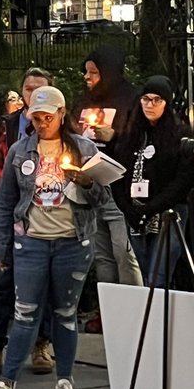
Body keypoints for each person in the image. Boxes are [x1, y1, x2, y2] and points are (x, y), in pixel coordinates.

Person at [0, 85, 110, 389]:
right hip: (31, 241)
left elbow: (103, 198)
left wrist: (87, 182)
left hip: (72, 242)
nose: (42, 123)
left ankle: (65, 380)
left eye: (48, 116)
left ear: (62, 114)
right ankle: (7, 383)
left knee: (65, 313)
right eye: (36, 117)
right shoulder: (20, 151)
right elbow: (6, 201)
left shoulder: (83, 147)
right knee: (24, 313)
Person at [0, 67, 55, 380]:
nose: (32, 92)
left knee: (45, 284)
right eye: (28, 87)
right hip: (9, 217)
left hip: (46, 217)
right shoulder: (5, 125)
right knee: (2, 285)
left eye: (39, 88)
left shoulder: (58, 130)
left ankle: (41, 346)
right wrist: (12, 182)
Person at [73, 46, 144, 333]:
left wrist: (114, 137)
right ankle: (108, 311)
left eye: (94, 72)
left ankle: (135, 311)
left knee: (123, 252)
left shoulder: (131, 100)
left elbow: (141, 140)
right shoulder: (84, 101)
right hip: (92, 188)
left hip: (120, 188)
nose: (88, 78)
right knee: (101, 254)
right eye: (87, 72)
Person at [112, 76, 194, 288]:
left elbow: (183, 180)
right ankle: (151, 319)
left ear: (167, 104)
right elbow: (117, 173)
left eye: (156, 100)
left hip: (167, 213)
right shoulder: (132, 133)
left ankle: (159, 319)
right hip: (135, 211)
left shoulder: (179, 135)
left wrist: (152, 207)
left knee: (158, 277)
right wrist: (126, 207)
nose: (150, 105)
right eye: (146, 99)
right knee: (145, 271)